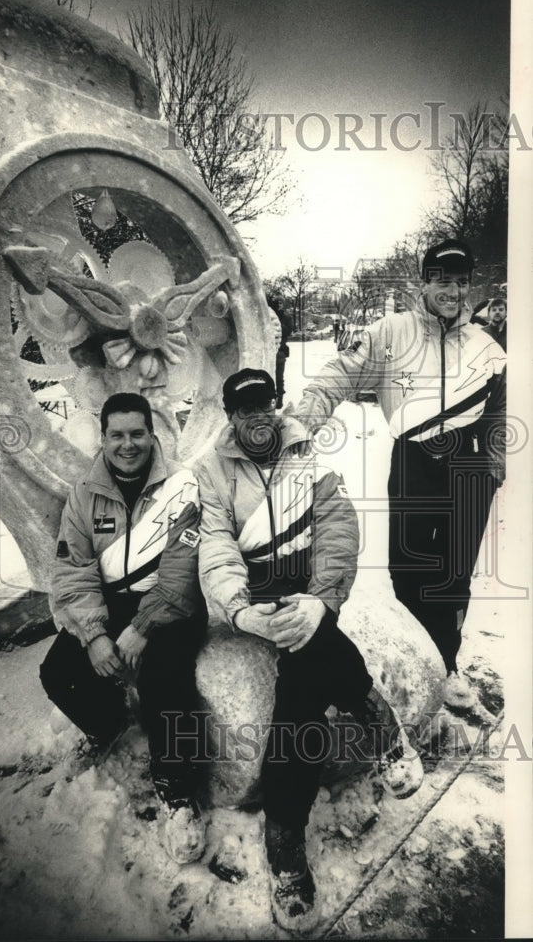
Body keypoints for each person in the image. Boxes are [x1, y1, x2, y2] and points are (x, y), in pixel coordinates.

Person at [196, 368, 424, 933]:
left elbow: (338, 529)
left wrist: (322, 601)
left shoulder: (308, 453)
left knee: (299, 685)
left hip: (311, 593)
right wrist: (240, 609)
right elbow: (217, 548)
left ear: (276, 405)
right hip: (259, 598)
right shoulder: (210, 472)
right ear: (229, 416)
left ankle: (285, 836)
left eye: (264, 404)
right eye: (243, 408)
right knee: (314, 666)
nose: (257, 416)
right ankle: (375, 717)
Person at [296, 239, 507, 710]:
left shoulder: (485, 346)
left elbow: (501, 406)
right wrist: (301, 423)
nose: (452, 289)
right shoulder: (390, 332)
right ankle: (420, 658)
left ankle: (447, 666)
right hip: (413, 460)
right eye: (441, 279)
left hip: (469, 466)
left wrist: (494, 462)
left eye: (460, 281)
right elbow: (340, 374)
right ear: (424, 282)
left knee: (453, 573)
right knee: (408, 567)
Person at [40, 392, 208, 864]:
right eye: (117, 435)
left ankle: (178, 794)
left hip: (171, 608)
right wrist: (94, 634)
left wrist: (142, 627)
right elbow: (74, 571)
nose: (127, 444)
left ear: (153, 435)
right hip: (110, 605)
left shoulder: (181, 486)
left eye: (137, 433)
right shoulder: (84, 494)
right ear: (104, 438)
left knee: (166, 680)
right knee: (57, 674)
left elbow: (182, 570)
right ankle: (109, 724)